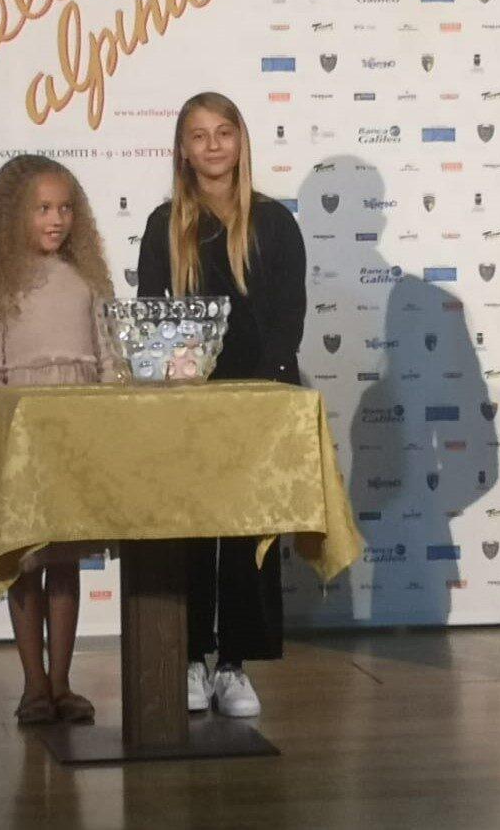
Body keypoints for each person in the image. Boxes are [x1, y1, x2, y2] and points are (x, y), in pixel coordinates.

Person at [137, 91, 307, 718]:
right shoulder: (164, 224)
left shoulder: (275, 223)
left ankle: (234, 664)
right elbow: (153, 317)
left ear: (241, 141)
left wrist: (262, 393)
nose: (212, 145)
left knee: (244, 535)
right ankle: (188, 657)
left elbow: (288, 319)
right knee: (188, 533)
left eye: (223, 132)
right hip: (187, 404)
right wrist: (179, 387)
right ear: (182, 150)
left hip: (256, 402)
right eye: (199, 135)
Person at [0, 154, 118, 725]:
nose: (56, 219)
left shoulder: (87, 280)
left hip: (75, 440)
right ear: (13, 215)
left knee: (65, 563)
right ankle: (33, 685)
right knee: (26, 563)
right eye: (43, 208)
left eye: (65, 208)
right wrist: (20, 427)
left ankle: (62, 682)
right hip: (23, 441)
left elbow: (108, 358)